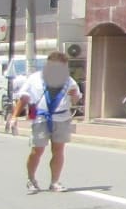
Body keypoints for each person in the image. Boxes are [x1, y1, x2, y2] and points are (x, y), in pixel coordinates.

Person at [18, 52, 81, 194]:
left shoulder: (68, 80)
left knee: (58, 151)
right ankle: (31, 179)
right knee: (37, 150)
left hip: (62, 118)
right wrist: (16, 116)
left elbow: (76, 100)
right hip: (41, 118)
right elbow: (23, 96)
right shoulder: (35, 78)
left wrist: (75, 95)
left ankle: (55, 182)